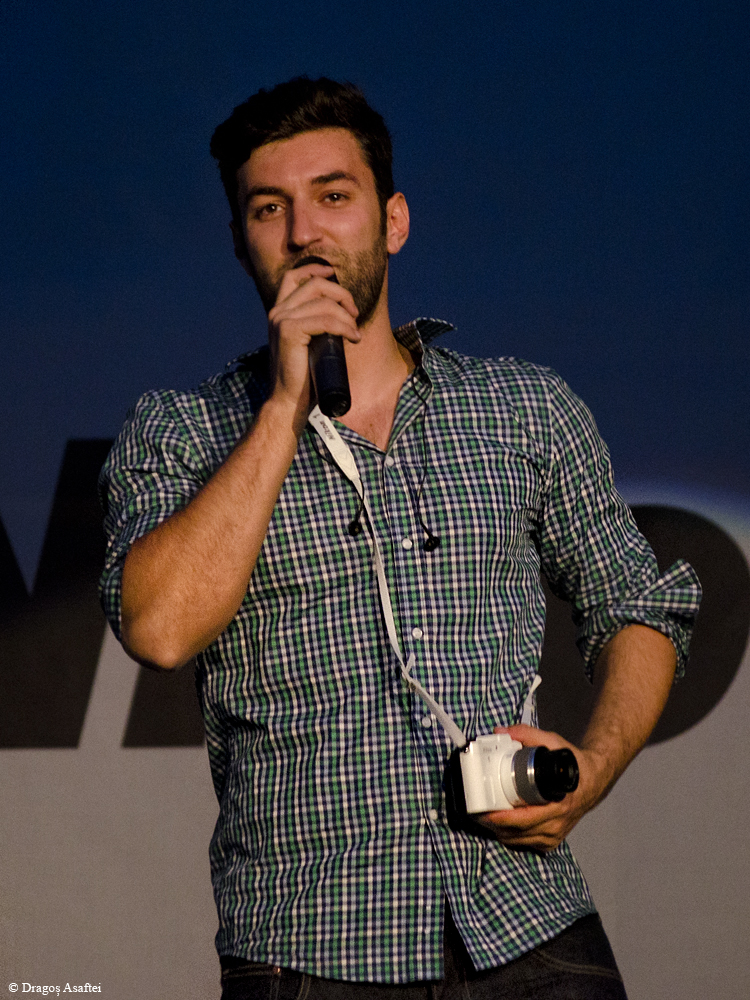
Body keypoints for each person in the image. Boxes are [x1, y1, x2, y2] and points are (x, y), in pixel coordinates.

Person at [99, 77, 701, 999]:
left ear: (393, 221)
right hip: (312, 948)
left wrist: (594, 767)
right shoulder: (178, 431)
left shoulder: (523, 408)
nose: (305, 233)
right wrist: (285, 408)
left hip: (533, 927)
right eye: (270, 209)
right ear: (240, 242)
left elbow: (636, 604)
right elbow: (161, 628)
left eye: (334, 196)